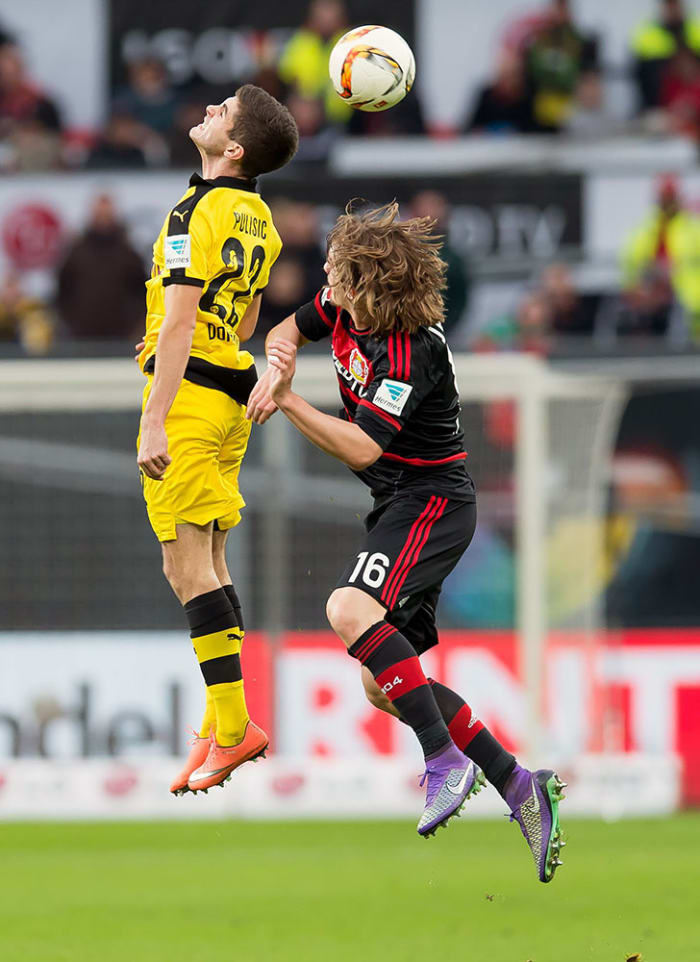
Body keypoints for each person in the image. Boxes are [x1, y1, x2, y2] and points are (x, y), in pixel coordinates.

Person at [247, 203, 566, 878]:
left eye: (336, 268)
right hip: (401, 504)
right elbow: (286, 328)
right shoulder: (341, 304)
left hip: (433, 504)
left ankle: (442, 760)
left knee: (345, 609)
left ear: (368, 283)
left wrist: (289, 400)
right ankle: (516, 784)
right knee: (379, 684)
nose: (323, 276)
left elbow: (364, 447)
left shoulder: (410, 349)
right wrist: (279, 352)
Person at [136, 85, 298, 796]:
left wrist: (155, 416)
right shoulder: (260, 218)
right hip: (230, 392)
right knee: (213, 559)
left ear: (232, 149)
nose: (208, 109)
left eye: (223, 112)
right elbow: (250, 312)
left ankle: (233, 729)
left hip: (191, 404)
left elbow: (179, 322)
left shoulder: (190, 212)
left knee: (184, 567)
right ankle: (218, 722)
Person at [57, 194, 146, 341]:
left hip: (121, 337)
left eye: (107, 214)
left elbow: (142, 292)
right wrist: (71, 322)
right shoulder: (76, 252)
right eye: (100, 214)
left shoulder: (128, 253)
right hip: (82, 337)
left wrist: (134, 323)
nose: (103, 219)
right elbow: (62, 291)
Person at [631, 0, 700, 112]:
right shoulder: (647, 33)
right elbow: (642, 78)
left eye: (675, 4)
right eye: (669, 4)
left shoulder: (696, 29)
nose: (672, 8)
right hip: (660, 104)